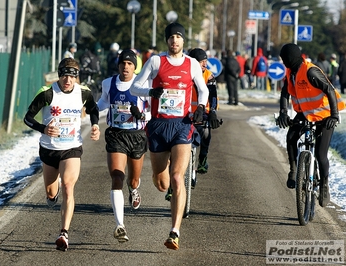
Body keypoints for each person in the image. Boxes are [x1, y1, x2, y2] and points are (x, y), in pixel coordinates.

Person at [129, 22, 209, 250]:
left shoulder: (192, 64)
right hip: (158, 126)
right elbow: (135, 87)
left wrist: (201, 107)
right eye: (171, 37)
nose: (174, 41)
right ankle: (162, 183)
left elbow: (202, 89)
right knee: (162, 183)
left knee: (177, 177)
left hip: (182, 125)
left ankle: (174, 231)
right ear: (167, 41)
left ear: (184, 41)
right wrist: (150, 92)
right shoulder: (156, 61)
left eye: (178, 37)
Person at [23, 58, 100, 251]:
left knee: (68, 186)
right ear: (59, 75)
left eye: (72, 76)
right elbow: (28, 118)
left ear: (77, 77)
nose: (68, 80)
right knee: (51, 193)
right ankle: (52, 192)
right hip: (49, 149)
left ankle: (64, 233)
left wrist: (96, 125)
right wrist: (43, 129)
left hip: (71, 147)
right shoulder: (47, 93)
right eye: (65, 75)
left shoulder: (84, 93)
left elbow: (93, 109)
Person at [277, 43, 345, 207]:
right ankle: (294, 172)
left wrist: (334, 116)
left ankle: (324, 186)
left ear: (291, 58)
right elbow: (285, 93)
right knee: (291, 136)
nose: (284, 62)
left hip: (325, 114)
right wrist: (283, 113)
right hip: (307, 113)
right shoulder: (291, 73)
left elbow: (329, 89)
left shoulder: (310, 71)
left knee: (321, 155)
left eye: (285, 59)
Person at [97, 49, 150, 243]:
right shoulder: (108, 83)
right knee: (117, 176)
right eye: (122, 63)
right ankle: (120, 225)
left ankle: (134, 189)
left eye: (129, 64)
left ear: (135, 66)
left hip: (136, 135)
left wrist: (142, 116)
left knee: (133, 180)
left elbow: (154, 109)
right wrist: (93, 107)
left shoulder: (143, 83)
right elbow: (104, 101)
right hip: (116, 134)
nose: (125, 67)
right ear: (118, 65)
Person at [188, 48, 221, 180]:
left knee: (206, 132)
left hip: (205, 111)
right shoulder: (185, 74)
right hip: (186, 111)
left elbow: (213, 96)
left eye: (205, 61)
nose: (205, 64)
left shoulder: (209, 75)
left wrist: (212, 112)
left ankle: (202, 158)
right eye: (201, 62)